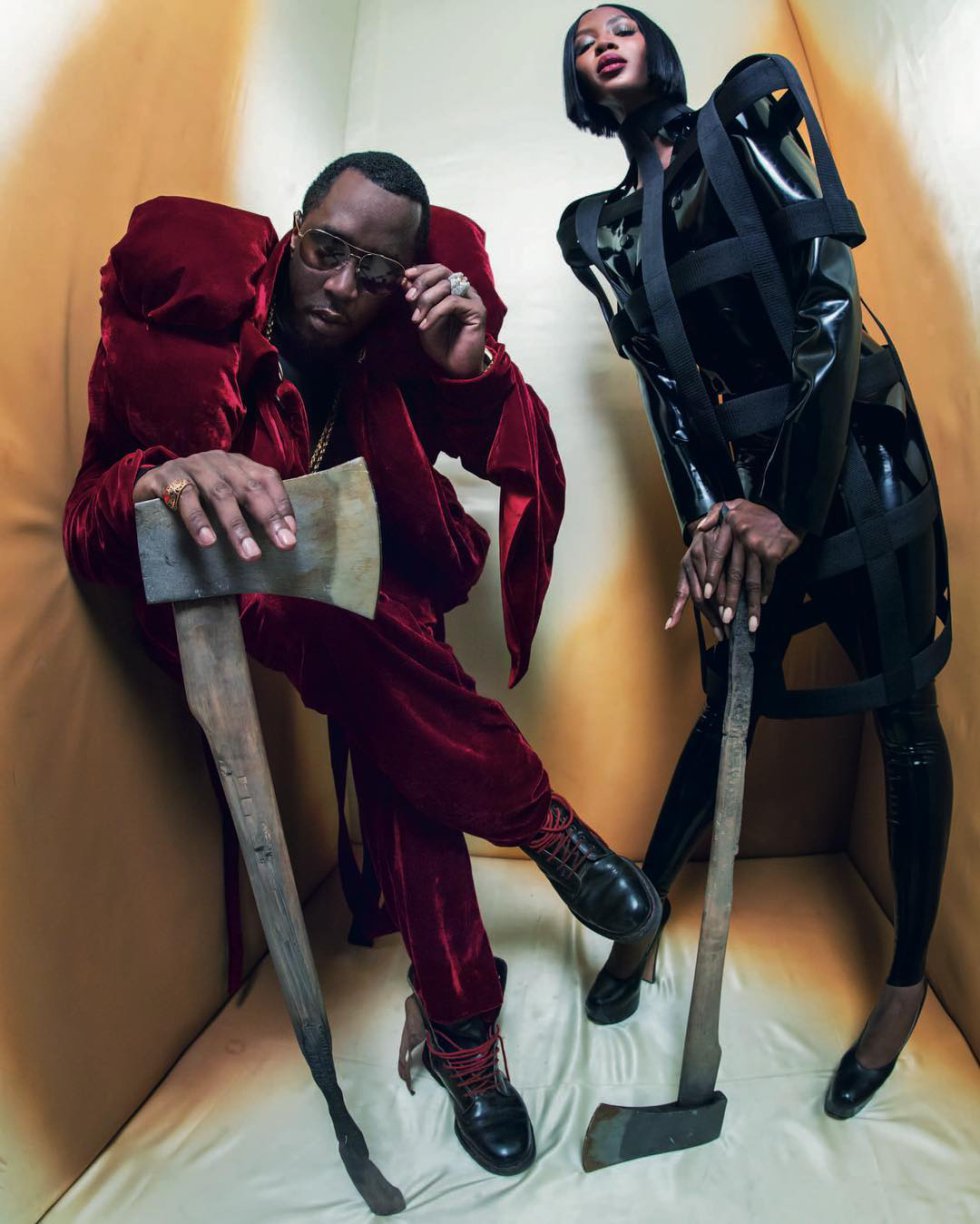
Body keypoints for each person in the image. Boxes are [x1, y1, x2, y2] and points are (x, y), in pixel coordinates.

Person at [63, 151, 662, 1174]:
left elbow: (515, 455)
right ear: (292, 230)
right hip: (241, 585)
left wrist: (471, 368)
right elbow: (89, 523)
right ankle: (542, 828)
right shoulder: (191, 339)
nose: (342, 287)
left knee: (398, 733)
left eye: (374, 271)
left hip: (381, 577)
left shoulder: (396, 336)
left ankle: (463, 1030)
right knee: (359, 628)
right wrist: (162, 475)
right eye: (325, 251)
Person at [557, 8, 952, 1119]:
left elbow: (829, 294)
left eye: (620, 25)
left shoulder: (742, 120)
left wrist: (787, 506)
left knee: (902, 714)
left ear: (655, 49)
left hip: (856, 461)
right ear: (577, 82)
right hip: (745, 490)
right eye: (580, 38)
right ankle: (643, 915)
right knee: (727, 703)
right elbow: (667, 392)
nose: (600, 38)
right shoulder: (597, 228)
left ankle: (906, 979)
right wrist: (707, 519)